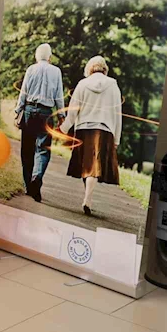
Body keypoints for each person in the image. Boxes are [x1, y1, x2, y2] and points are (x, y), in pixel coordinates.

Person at [60, 56, 122, 216]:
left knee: (88, 166)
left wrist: (65, 128)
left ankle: (87, 197)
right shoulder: (113, 85)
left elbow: (73, 109)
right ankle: (88, 198)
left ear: (89, 68)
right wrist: (117, 138)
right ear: (105, 69)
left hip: (84, 129)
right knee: (93, 167)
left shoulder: (83, 84)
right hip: (104, 130)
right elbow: (117, 113)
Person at [14, 43, 65, 203]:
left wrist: (18, 112)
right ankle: (37, 177)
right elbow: (59, 95)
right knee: (43, 149)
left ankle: (29, 185)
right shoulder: (56, 71)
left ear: (37, 57)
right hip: (46, 113)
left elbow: (24, 92)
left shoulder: (31, 69)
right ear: (50, 57)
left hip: (29, 110)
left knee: (27, 149)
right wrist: (62, 115)